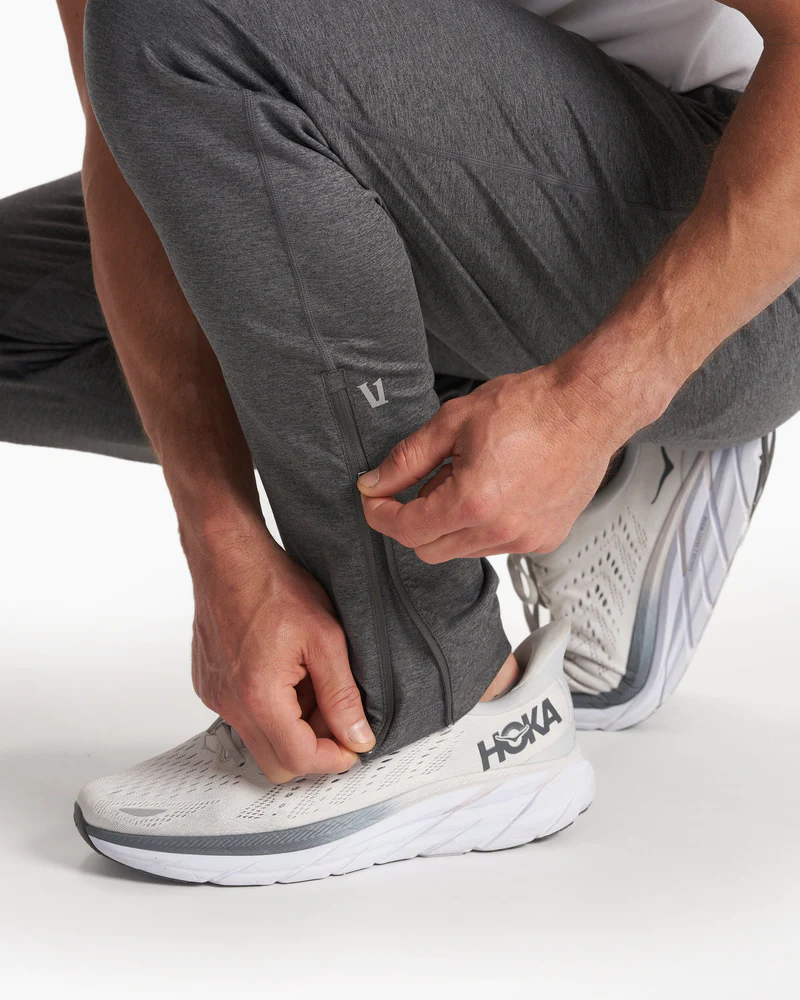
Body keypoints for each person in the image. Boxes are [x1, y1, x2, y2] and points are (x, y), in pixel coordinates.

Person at [2, 0, 796, 884]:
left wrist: (593, 403)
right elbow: (131, 141)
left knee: (177, 15)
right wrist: (217, 530)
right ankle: (532, 444)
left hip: (741, 252)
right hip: (428, 193)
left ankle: (438, 698)